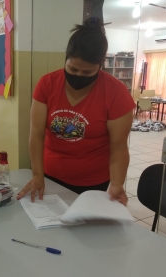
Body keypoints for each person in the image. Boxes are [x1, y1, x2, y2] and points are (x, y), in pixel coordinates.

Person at [17, 18, 135, 205]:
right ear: (66, 57)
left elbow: (118, 146)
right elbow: (36, 133)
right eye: (72, 69)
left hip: (93, 182)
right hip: (50, 175)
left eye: (87, 72)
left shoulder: (116, 92)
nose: (78, 76)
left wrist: (117, 183)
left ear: (100, 64)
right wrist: (37, 174)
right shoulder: (47, 84)